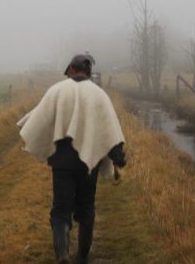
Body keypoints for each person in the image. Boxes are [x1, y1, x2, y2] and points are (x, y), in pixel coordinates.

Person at [17, 53, 127, 264]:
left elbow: (39, 119)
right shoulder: (99, 95)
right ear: (88, 72)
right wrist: (118, 158)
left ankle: (63, 255)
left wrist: (27, 129)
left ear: (72, 70)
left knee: (61, 210)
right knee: (86, 210)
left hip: (62, 162)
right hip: (90, 162)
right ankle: (83, 258)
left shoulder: (57, 90)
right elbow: (110, 129)